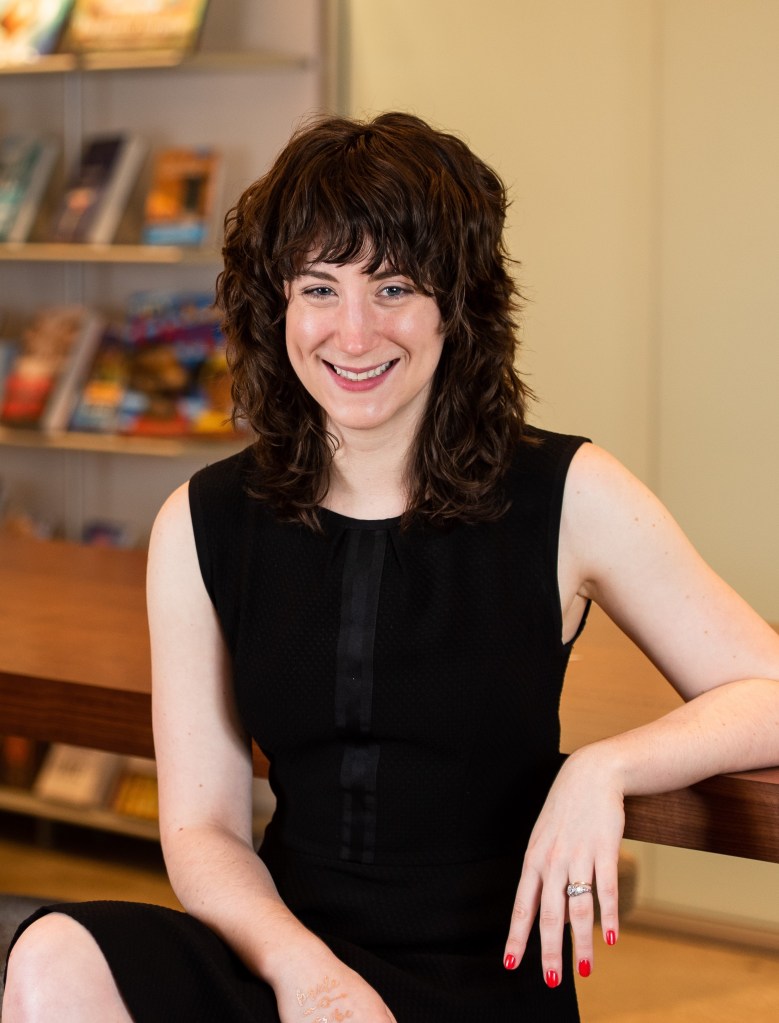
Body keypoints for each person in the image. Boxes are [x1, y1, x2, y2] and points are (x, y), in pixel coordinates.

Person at [4, 111, 779, 1022]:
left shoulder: (570, 494)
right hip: (285, 964)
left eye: (393, 286)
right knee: (50, 957)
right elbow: (202, 827)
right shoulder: (202, 521)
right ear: (277, 307)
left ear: (457, 303)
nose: (354, 332)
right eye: (319, 288)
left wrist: (604, 768)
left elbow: (766, 689)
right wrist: (305, 974)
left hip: (481, 982)